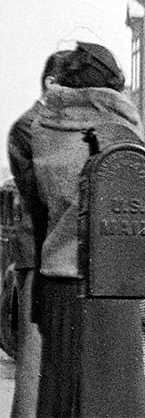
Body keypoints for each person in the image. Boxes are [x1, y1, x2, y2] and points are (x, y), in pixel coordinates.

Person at [7, 42, 143, 417]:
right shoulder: (125, 131)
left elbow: (37, 212)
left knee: (59, 394)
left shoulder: (37, 131)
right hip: (114, 288)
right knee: (116, 398)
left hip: (59, 279)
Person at [6, 51, 70, 418]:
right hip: (38, 253)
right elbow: (46, 195)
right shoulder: (29, 128)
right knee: (34, 358)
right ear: (50, 84)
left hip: (54, 251)